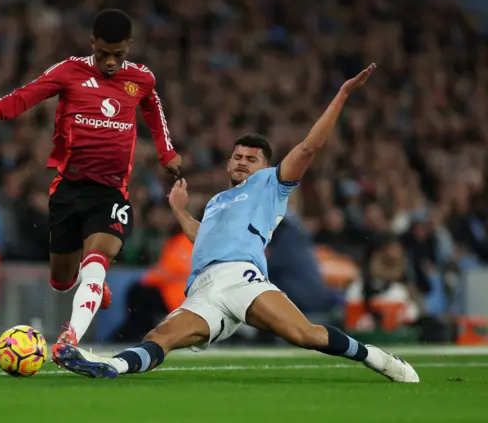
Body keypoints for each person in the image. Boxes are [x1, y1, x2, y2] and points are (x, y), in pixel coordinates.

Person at [54, 64, 420, 383]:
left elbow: (308, 148)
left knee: (306, 335)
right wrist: (180, 211)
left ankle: (378, 358)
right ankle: (110, 367)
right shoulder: (216, 202)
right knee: (160, 334)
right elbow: (203, 239)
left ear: (265, 166)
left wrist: (341, 95)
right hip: (203, 287)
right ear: (228, 163)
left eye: (251, 158)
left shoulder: (272, 185)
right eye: (237, 156)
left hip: (241, 278)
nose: (242, 162)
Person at [0, 9, 181, 350]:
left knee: (97, 260)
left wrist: (166, 153)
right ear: (92, 43)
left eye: (118, 54)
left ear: (129, 45)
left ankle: (70, 339)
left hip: (111, 192)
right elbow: (28, 93)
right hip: (68, 190)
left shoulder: (141, 79)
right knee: (61, 280)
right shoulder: (69, 71)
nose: (110, 63)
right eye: (103, 54)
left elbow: (154, 113)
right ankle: (92, 283)